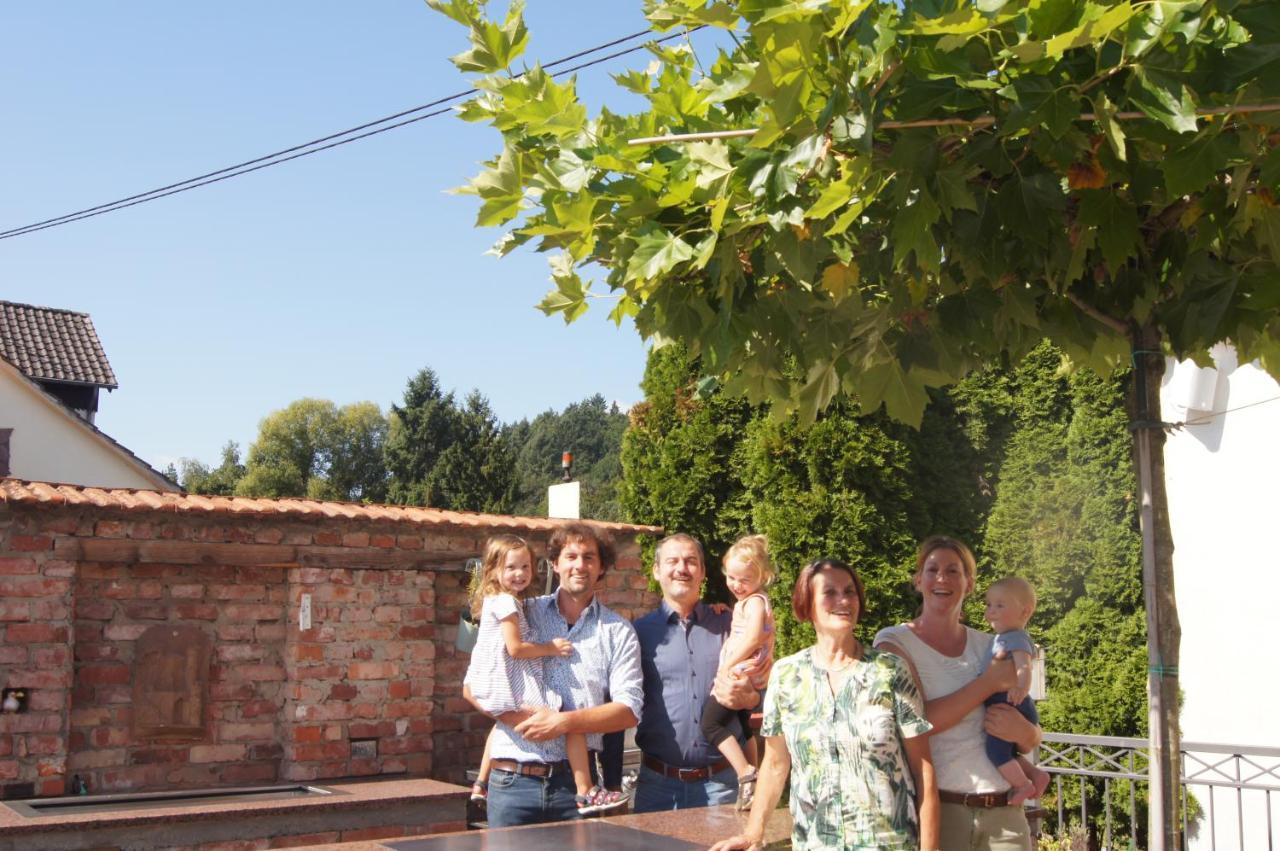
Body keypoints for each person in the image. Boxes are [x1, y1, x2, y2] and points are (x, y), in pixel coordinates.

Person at [711, 558, 940, 851]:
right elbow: (775, 763)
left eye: (850, 592)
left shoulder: (889, 670)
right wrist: (753, 834)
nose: (843, 600)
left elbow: (924, 770)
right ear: (807, 605)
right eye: (830, 592)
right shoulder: (787, 675)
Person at [462, 522, 643, 827]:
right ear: (554, 564)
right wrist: (521, 719)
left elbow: (629, 711)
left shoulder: (618, 632)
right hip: (512, 780)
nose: (579, 565)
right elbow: (470, 687)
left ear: (601, 567)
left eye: (589, 557)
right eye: (570, 556)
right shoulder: (521, 612)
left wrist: (561, 722)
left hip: (574, 789)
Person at [874, 536, 1042, 851]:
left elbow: (1026, 723)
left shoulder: (991, 644)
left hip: (1005, 815)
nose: (942, 578)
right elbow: (913, 723)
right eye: (932, 569)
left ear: (969, 584)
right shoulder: (894, 642)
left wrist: (1029, 734)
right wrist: (988, 683)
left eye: (954, 571)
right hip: (943, 812)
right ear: (918, 580)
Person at [630, 533, 765, 812]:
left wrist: (751, 698)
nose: (682, 568)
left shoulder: (731, 624)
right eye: (673, 561)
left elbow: (764, 688)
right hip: (658, 787)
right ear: (656, 571)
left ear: (703, 572)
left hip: (722, 783)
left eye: (691, 561)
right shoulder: (638, 634)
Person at [699, 534, 775, 810]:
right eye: (732, 578)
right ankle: (753, 784)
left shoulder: (755, 601)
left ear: (762, 576)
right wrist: (725, 610)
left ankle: (745, 772)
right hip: (748, 672)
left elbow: (754, 636)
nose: (737, 585)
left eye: (745, 580)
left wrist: (729, 665)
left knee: (710, 724)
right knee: (742, 729)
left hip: (741, 672)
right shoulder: (746, 603)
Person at [982, 576, 1051, 806]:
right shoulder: (1002, 638)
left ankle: (1023, 785)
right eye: (989, 605)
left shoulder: (1016, 637)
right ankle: (1036, 774)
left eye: (1000, 605)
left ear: (1024, 612)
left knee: (996, 752)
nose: (991, 611)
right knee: (1007, 753)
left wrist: (1021, 688)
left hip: (1011, 702)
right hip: (1010, 703)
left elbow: (1024, 665)